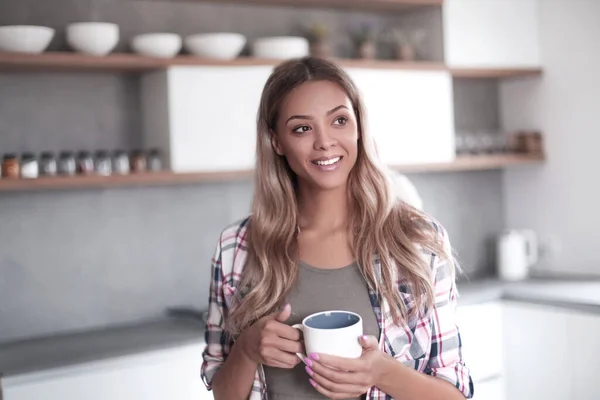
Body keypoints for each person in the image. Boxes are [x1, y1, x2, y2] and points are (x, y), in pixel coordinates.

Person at [201, 56, 473, 400]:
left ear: (359, 126)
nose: (325, 142)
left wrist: (383, 373)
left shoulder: (417, 240)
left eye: (340, 120)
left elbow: (455, 394)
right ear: (276, 142)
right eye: (302, 128)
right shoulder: (235, 248)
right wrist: (246, 349)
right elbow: (224, 395)